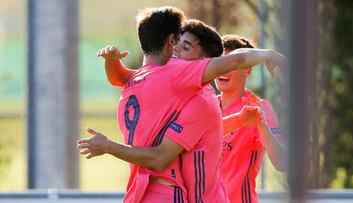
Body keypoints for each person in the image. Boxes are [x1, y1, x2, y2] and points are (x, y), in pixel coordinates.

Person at [77, 6, 284, 203]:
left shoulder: (184, 88)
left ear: (205, 62)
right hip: (159, 192)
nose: (176, 50)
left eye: (185, 47)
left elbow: (120, 78)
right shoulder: (176, 86)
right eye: (176, 43)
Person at [217, 34, 286, 203]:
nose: (223, 69)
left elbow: (282, 163)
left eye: (232, 64)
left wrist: (262, 126)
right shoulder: (206, 106)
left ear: (247, 70)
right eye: (220, 63)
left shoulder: (258, 107)